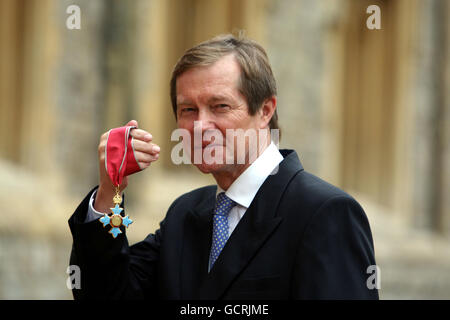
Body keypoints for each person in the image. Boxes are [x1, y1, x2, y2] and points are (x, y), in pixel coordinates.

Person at [68, 34, 379, 299]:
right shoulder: (184, 215)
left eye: (220, 106)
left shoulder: (324, 213)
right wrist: (111, 188)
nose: (201, 125)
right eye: (188, 109)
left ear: (265, 110)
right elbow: (106, 294)